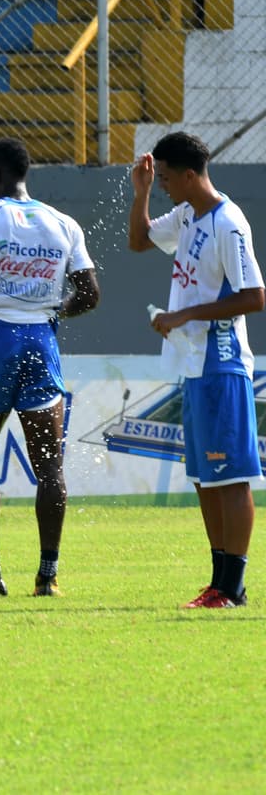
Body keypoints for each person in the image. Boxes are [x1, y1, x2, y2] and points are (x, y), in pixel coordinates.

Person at [0, 137, 100, 598]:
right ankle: (47, 576)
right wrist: (52, 308)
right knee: (50, 467)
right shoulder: (62, 223)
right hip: (41, 341)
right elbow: (89, 294)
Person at [128, 131, 264, 609]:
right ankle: (219, 582)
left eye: (165, 178)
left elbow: (255, 297)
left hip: (222, 362)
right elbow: (140, 241)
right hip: (193, 363)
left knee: (231, 476)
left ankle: (234, 586)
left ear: (190, 175)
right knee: (206, 476)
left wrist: (184, 315)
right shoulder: (187, 214)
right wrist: (141, 191)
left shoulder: (229, 224)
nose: (163, 185)